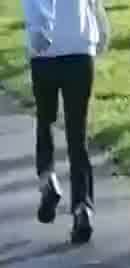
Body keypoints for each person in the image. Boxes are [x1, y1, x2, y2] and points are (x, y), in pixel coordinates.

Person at [22, 0, 110, 246]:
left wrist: (39, 27)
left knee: (45, 120)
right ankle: (82, 208)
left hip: (45, 52)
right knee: (77, 133)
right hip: (81, 49)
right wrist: (101, 25)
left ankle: (47, 178)